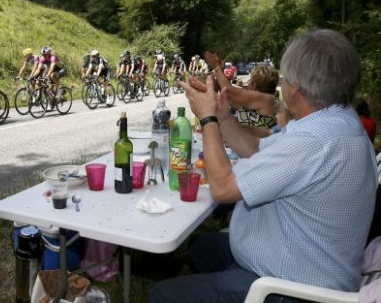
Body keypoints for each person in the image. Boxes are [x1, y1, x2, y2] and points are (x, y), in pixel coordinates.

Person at [150, 29, 377, 302]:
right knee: (201, 248)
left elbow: (222, 188)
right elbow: (255, 149)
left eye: (285, 78)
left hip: (292, 289)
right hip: (307, 259)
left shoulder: (314, 141)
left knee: (162, 296)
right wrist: (223, 117)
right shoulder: (336, 122)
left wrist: (207, 118)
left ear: (297, 89)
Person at [205, 51, 280, 133]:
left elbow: (228, 93)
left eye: (250, 81)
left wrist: (216, 67)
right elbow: (226, 94)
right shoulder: (271, 101)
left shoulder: (263, 101)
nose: (248, 83)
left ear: (254, 85)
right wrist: (220, 72)